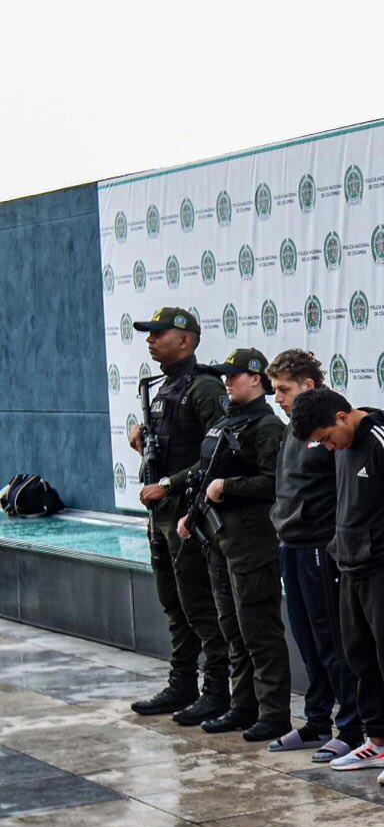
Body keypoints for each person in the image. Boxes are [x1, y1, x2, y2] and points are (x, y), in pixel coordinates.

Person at [288, 387, 384, 786]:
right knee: (359, 655)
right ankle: (379, 739)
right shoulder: (342, 449)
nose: (328, 448)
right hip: (351, 563)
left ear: (341, 417)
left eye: (326, 438)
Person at [169, 348, 293, 743]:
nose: (227, 382)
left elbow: (275, 482)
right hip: (219, 537)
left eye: (234, 376)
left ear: (256, 379)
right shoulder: (227, 421)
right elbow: (207, 472)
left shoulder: (267, 427)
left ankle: (274, 713)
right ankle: (243, 706)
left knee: (258, 628)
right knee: (232, 627)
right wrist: (193, 509)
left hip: (252, 542)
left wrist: (230, 487)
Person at [127, 308, 230, 726]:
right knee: (174, 603)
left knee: (199, 604)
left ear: (186, 340)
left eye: (158, 334)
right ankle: (182, 682)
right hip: (161, 516)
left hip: (189, 515)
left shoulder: (204, 387)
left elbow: (222, 452)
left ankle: (218, 690)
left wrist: (169, 484)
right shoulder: (164, 387)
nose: (150, 341)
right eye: (149, 335)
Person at [267, 350, 361, 761]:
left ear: (309, 385)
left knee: (332, 641)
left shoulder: (330, 426)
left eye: (284, 389)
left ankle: (352, 727)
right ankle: (317, 720)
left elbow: (347, 492)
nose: (278, 398)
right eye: (274, 390)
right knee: (306, 640)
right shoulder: (293, 428)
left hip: (321, 548)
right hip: (291, 544)